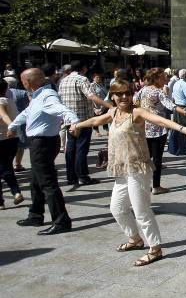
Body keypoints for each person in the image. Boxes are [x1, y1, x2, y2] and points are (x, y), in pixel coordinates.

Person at [72, 79, 186, 266]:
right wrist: (79, 125)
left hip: (138, 169)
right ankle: (135, 239)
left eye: (128, 93)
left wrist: (184, 129)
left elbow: (160, 120)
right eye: (119, 94)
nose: (124, 97)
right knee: (117, 208)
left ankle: (155, 248)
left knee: (141, 211)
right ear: (113, 96)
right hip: (122, 169)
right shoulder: (113, 112)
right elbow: (95, 120)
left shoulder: (136, 112)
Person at [8, 68, 79, 234]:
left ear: (29, 82)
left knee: (48, 182)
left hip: (43, 143)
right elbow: (27, 113)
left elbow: (61, 109)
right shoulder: (38, 96)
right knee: (36, 180)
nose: (22, 83)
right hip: (40, 143)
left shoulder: (47, 95)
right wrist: (13, 125)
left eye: (23, 80)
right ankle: (35, 214)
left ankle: (61, 221)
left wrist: (74, 121)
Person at [134, 68, 186, 194]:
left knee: (145, 158)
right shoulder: (158, 92)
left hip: (144, 128)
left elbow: (135, 102)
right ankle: (156, 186)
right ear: (156, 78)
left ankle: (142, 184)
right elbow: (172, 106)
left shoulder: (143, 90)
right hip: (157, 129)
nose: (165, 80)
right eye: (163, 77)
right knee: (157, 159)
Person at [58, 60, 114, 189]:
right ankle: (83, 176)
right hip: (83, 119)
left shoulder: (63, 80)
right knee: (81, 149)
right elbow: (90, 96)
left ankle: (71, 177)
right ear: (83, 68)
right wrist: (109, 105)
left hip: (68, 119)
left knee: (71, 149)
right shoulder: (82, 79)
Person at [0, 79, 24, 209]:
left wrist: (11, 127)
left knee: (4, 169)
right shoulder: (11, 101)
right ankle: (13, 194)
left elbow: (3, 115)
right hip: (12, 141)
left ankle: (15, 192)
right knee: (6, 167)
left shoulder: (1, 102)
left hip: (3, 139)